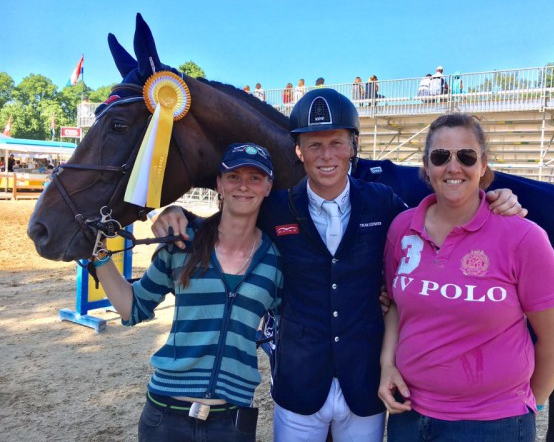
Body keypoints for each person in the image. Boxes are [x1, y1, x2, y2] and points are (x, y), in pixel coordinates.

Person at [152, 90, 522, 442]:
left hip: (363, 383)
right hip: (298, 383)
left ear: (352, 147)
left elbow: (443, 215)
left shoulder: (382, 203)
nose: (326, 155)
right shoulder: (276, 208)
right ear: (298, 151)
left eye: (336, 143)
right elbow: (230, 224)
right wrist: (178, 214)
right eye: (314, 145)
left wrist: (491, 200)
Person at [378, 113, 554, 442]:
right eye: (441, 157)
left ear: (483, 165)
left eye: (466, 156)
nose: (453, 167)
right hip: (410, 416)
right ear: (426, 167)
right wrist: (387, 364)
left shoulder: (523, 237)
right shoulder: (402, 229)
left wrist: (529, 406)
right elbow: (395, 305)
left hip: (494, 424)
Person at [94, 142, 282, 442]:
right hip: (166, 417)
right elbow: (133, 308)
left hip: (232, 423)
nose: (244, 186)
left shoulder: (275, 260)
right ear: (219, 184)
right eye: (234, 177)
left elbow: (300, 316)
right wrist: (99, 256)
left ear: (268, 186)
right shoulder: (183, 243)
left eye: (255, 178)